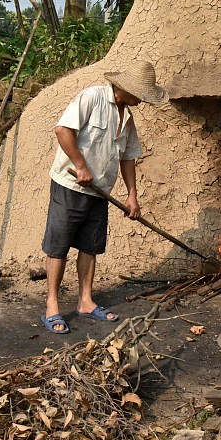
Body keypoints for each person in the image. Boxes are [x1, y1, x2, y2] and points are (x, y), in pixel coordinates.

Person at [40, 60, 166, 334]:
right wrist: (81, 165)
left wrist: (132, 195)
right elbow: (63, 130)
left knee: (90, 246)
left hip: (100, 192)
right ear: (126, 88)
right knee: (59, 245)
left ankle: (85, 301)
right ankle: (52, 305)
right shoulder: (93, 98)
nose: (142, 101)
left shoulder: (127, 117)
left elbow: (128, 157)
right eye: (140, 94)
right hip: (70, 186)